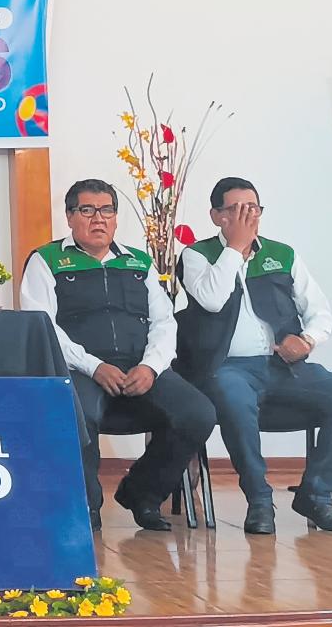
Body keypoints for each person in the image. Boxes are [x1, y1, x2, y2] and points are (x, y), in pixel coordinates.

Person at [20, 180, 215, 531]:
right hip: (79, 369)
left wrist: (151, 367)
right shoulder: (46, 260)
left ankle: (143, 493)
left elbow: (164, 321)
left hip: (139, 367)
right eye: (87, 210)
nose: (98, 218)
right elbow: (43, 326)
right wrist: (94, 366)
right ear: (69, 216)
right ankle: (87, 508)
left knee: (198, 413)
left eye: (107, 210)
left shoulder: (138, 261)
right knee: (75, 413)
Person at [177, 177, 332, 534]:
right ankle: (260, 500)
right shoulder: (197, 255)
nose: (247, 216)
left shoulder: (281, 255)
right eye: (236, 209)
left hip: (284, 367)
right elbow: (212, 300)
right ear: (216, 216)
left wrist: (307, 340)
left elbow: (320, 312)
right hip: (227, 368)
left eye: (253, 208)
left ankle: (316, 494)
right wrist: (235, 248)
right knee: (232, 393)